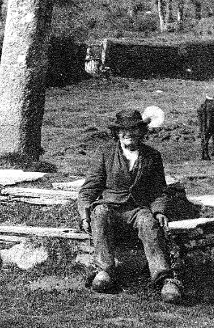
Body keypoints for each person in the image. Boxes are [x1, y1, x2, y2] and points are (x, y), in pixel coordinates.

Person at [77, 109, 183, 303]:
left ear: (141, 132)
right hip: (111, 207)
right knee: (99, 214)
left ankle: (164, 279)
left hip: (137, 209)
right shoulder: (106, 154)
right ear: (117, 133)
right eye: (123, 131)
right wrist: (85, 214)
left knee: (149, 223)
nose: (128, 134)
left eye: (133, 130)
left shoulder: (152, 156)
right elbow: (89, 188)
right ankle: (104, 271)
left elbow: (159, 190)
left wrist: (159, 211)